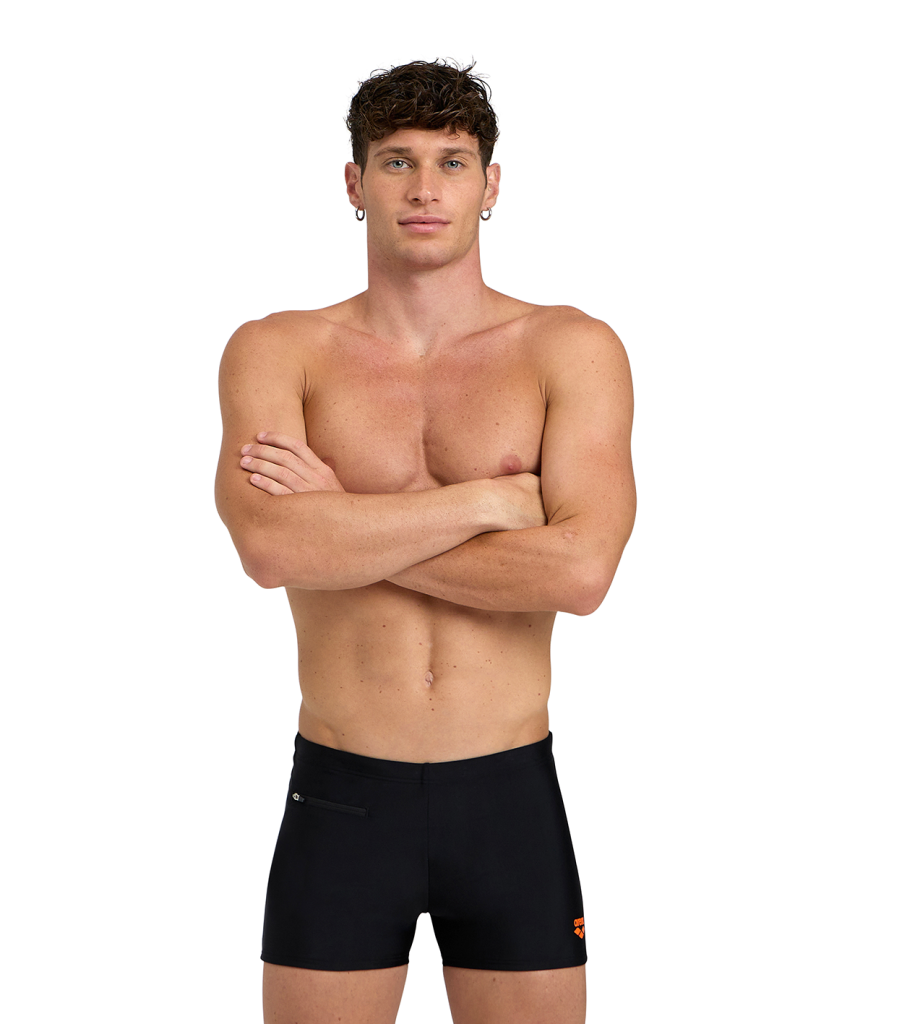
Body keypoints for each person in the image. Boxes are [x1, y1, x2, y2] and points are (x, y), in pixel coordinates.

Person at [215, 59, 636, 1024]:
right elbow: (272, 550)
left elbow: (580, 572)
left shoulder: (569, 349)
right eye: (397, 161)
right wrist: (489, 502)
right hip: (343, 794)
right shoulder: (278, 350)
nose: (424, 188)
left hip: (508, 793)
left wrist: (342, 520)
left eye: (452, 162)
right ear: (354, 183)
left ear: (492, 185)